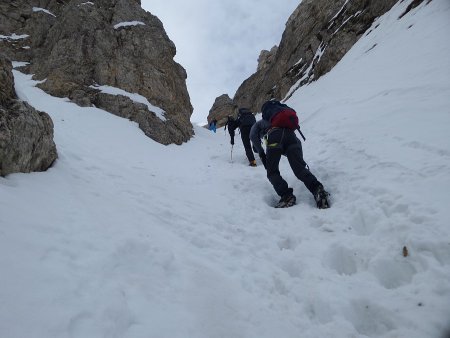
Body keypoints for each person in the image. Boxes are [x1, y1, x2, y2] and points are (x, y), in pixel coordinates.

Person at [252, 100, 330, 209]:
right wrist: (299, 161)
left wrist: (261, 152)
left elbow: (253, 134)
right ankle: (317, 189)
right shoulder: (282, 117)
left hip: (274, 136)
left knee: (272, 172)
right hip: (292, 137)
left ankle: (287, 196)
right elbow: (292, 145)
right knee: (299, 169)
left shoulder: (262, 122)